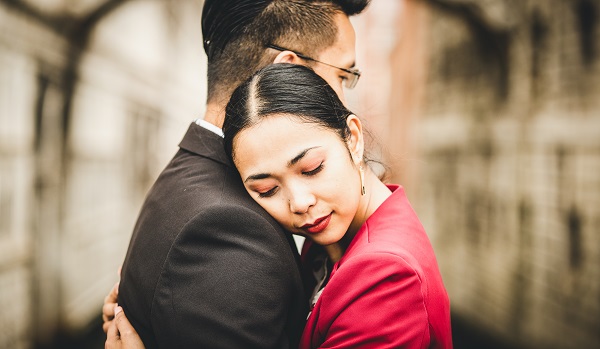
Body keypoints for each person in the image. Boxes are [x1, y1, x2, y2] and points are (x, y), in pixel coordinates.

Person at [108, 63, 453, 348]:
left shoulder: (389, 276)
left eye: (312, 168)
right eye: (267, 189)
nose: (300, 203)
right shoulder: (333, 240)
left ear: (354, 138)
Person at [102, 0, 370, 348]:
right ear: (289, 70)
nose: (343, 97)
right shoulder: (225, 229)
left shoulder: (191, 173)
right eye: (342, 76)